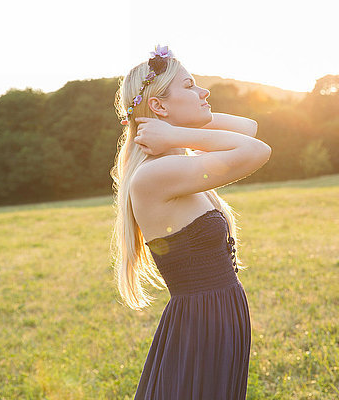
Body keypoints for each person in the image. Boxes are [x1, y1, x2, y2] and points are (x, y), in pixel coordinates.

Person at [111, 44, 271, 399]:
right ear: (159, 105)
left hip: (215, 319)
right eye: (189, 86)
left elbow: (249, 128)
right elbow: (257, 150)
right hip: (202, 326)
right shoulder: (155, 175)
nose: (204, 92)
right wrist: (177, 132)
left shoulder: (176, 165)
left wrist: (176, 127)